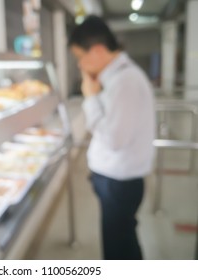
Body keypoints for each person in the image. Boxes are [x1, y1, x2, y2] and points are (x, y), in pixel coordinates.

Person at [68, 15, 155, 260]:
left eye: (80, 57)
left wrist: (90, 97)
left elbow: (115, 140)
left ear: (96, 51)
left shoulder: (124, 82)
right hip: (117, 179)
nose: (80, 65)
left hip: (119, 182)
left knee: (118, 249)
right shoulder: (119, 78)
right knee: (122, 241)